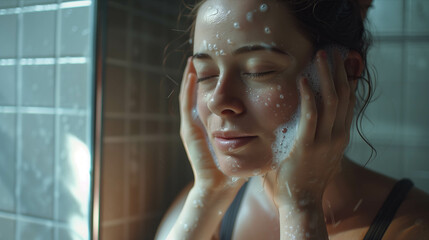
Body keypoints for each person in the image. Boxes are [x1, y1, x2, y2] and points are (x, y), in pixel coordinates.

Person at [156, 0, 429, 239]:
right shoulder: (199, 209)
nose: (218, 101)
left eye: (258, 71)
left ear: (346, 72)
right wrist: (208, 194)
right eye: (206, 74)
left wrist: (300, 205)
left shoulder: (413, 226)